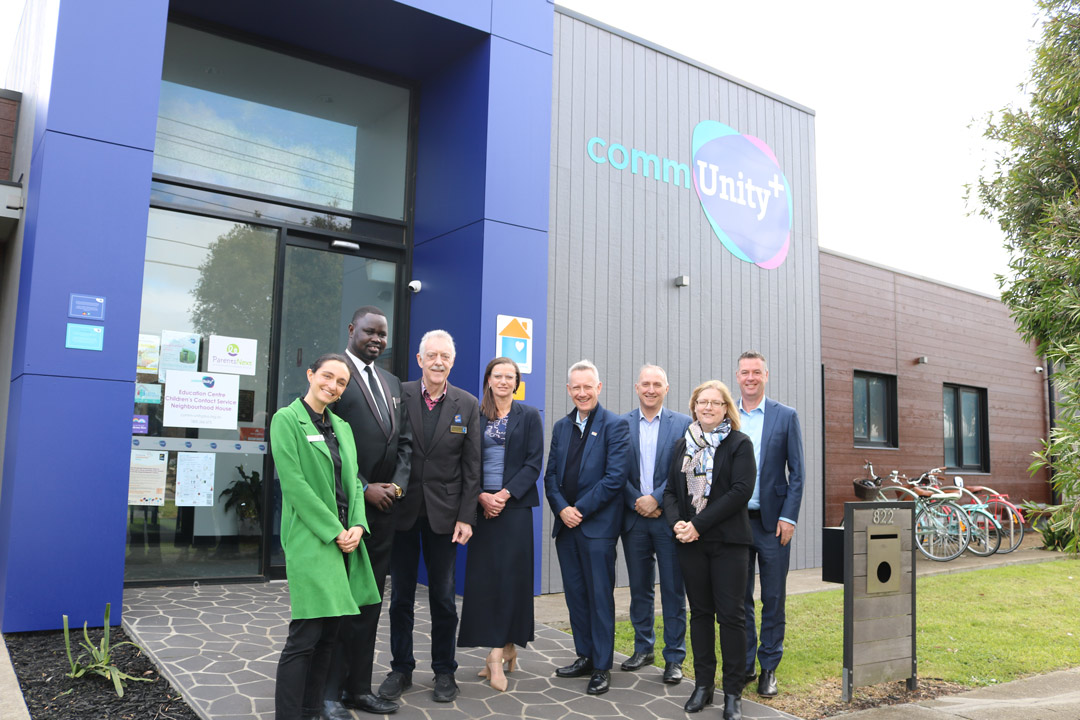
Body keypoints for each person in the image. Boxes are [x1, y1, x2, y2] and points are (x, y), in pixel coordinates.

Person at [269, 354, 380, 720]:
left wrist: (359, 527)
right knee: (305, 636)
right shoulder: (287, 420)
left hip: (348, 541)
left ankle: (312, 711)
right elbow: (295, 486)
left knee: (330, 636)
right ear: (311, 375)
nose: (332, 386)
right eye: (327, 377)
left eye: (341, 383)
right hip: (312, 541)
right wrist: (335, 531)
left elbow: (355, 484)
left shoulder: (342, 428)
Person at [379, 330, 482, 704]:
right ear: (420, 360)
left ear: (452, 363)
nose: (438, 361)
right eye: (432, 355)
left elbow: (473, 468)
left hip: (446, 516)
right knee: (401, 597)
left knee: (442, 597)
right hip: (401, 512)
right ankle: (401, 668)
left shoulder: (467, 403)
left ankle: (444, 671)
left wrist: (467, 517)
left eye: (445, 356)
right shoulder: (398, 395)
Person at [327, 306, 411, 716]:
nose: (377, 339)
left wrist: (395, 486)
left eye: (382, 334)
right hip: (346, 513)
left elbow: (406, 444)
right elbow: (325, 443)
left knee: (369, 604)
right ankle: (328, 693)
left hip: (385, 512)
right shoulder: (335, 374)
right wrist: (363, 488)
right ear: (351, 329)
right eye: (369, 332)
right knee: (338, 606)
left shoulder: (393, 382)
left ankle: (358, 689)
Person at [663, 380, 755, 719]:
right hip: (690, 543)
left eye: (716, 403)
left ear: (726, 408)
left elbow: (741, 491)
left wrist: (698, 524)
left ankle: (732, 692)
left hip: (729, 544)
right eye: (703, 402)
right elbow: (671, 492)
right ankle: (703, 686)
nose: (708, 408)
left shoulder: (739, 444)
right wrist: (677, 524)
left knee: (731, 617)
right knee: (700, 614)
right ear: (694, 406)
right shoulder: (682, 445)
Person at [457, 357, 544, 691]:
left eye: (511, 376)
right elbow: (464, 461)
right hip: (481, 508)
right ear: (489, 380)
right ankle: (505, 648)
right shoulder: (475, 416)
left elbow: (534, 463)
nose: (504, 381)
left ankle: (496, 656)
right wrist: (481, 496)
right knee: (486, 581)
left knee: (511, 579)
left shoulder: (529, 415)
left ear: (517, 382)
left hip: (515, 509)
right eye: (498, 376)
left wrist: (504, 496)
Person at [544, 360, 630, 696]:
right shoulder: (561, 427)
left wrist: (578, 509)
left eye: (587, 386)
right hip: (566, 528)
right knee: (576, 596)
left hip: (597, 528)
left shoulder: (615, 425)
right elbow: (550, 476)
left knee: (599, 597)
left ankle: (602, 666)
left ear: (599, 387)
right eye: (575, 387)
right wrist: (562, 509)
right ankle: (584, 655)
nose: (582, 392)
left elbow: (615, 478)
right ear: (569, 390)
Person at [736, 351, 804, 698]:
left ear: (766, 375)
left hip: (773, 523)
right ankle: (746, 663)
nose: (751, 377)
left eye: (756, 372)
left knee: (773, 597)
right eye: (745, 372)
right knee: (739, 598)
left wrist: (788, 517)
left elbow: (797, 473)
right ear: (738, 377)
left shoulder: (785, 416)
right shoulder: (726, 415)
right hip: (735, 524)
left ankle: (769, 668)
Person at [620, 364, 691, 683]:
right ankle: (643, 647)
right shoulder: (620, 425)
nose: (650, 389)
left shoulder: (684, 425)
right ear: (636, 388)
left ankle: (674, 657)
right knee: (639, 588)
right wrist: (637, 498)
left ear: (667, 388)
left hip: (669, 519)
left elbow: (687, 470)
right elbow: (614, 470)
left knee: (674, 590)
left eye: (657, 384)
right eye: (645, 384)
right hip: (634, 519)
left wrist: (656, 499)